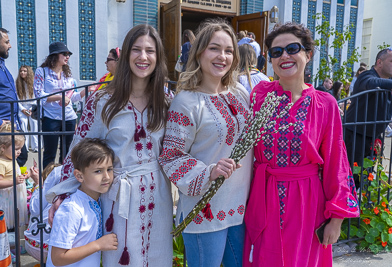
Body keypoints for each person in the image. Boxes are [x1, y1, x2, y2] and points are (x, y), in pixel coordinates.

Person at [47, 24, 173, 266]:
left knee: (158, 258)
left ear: (158, 57)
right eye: (136, 49)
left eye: (150, 50)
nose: (143, 57)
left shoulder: (166, 102)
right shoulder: (102, 101)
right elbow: (77, 150)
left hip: (159, 197)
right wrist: (62, 194)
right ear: (125, 55)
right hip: (118, 197)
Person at [243, 22, 359, 266]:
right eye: (276, 52)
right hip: (263, 197)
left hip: (307, 203)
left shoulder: (325, 104)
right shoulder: (260, 95)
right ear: (270, 60)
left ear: (308, 54)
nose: (284, 56)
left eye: (292, 48)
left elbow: (336, 163)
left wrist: (336, 219)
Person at [159, 19, 253, 267]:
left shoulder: (239, 93)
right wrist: (208, 171)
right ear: (200, 52)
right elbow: (170, 156)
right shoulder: (186, 102)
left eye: (229, 50)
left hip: (241, 209)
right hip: (206, 211)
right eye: (214, 48)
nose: (222, 56)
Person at [47, 138, 118, 267]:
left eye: (109, 169)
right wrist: (98, 245)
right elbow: (58, 258)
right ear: (79, 176)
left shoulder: (97, 201)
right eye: (98, 171)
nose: (106, 177)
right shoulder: (71, 209)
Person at [33, 42, 89, 168]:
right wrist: (59, 97)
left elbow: (72, 97)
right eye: (64, 53)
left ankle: (63, 180)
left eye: (68, 54)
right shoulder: (42, 71)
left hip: (69, 117)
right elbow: (39, 95)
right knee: (49, 153)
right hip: (51, 118)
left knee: (67, 153)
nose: (67, 56)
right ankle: (47, 181)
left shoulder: (67, 74)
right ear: (54, 55)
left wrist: (85, 91)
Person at [345, 48, 392, 175]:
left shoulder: (388, 85)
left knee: (368, 177)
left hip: (374, 137)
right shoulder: (367, 75)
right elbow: (371, 83)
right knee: (352, 176)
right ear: (379, 62)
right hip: (356, 135)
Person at [0, 26, 27, 167]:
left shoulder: (1, 65)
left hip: (12, 124)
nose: (10, 45)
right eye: (6, 42)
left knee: (21, 156)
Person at [0, 124, 38, 229]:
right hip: (7, 200)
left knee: (16, 225)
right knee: (7, 226)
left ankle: (15, 242)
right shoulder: (0, 163)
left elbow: (15, 177)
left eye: (21, 148)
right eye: (17, 148)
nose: (20, 152)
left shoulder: (11, 159)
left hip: (15, 198)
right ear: (3, 147)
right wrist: (15, 180)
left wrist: (26, 175)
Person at [24, 162, 61, 262]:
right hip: (51, 250)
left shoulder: (43, 192)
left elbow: (34, 208)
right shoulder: (65, 195)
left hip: (30, 242)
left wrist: (38, 185)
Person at [16, 65, 39, 152]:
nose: (22, 72)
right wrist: (22, 109)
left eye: (25, 71)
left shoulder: (35, 82)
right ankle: (25, 148)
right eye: (21, 71)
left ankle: (36, 147)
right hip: (22, 108)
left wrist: (32, 109)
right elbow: (16, 98)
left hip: (33, 107)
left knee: (34, 126)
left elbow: (38, 97)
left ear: (28, 72)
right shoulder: (17, 83)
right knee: (23, 126)